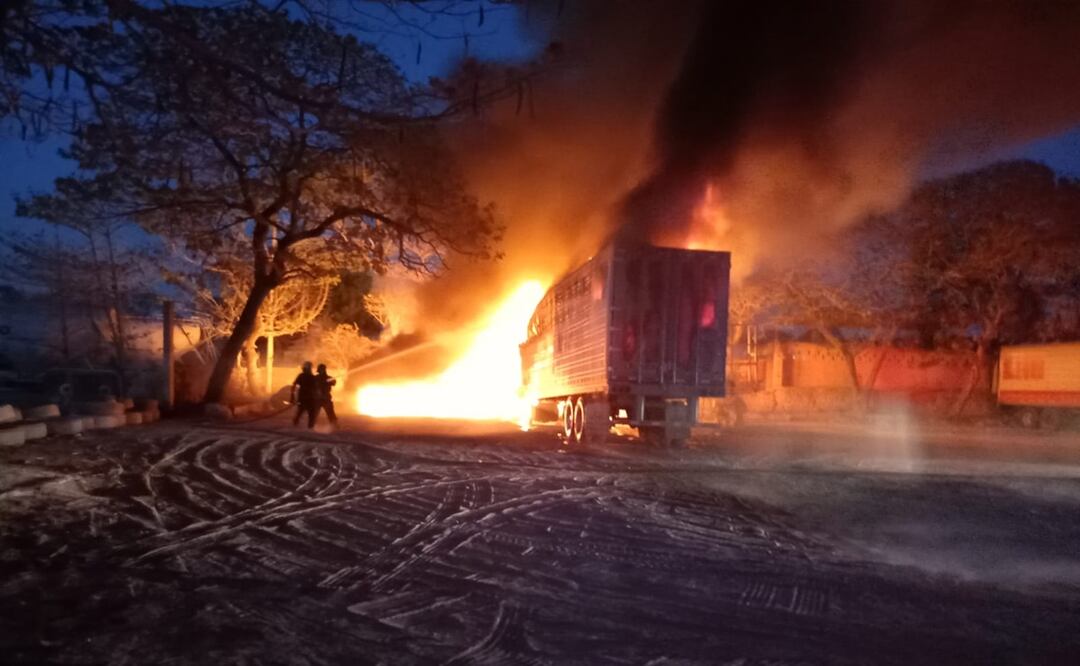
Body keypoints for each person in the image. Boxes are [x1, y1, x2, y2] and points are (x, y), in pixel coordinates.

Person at [291, 361, 319, 428]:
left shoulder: (310, 377)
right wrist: (292, 396)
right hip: (306, 398)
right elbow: (294, 385)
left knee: (309, 414)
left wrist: (292, 396)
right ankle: (297, 425)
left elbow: (316, 388)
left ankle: (308, 427)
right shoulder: (305, 376)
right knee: (305, 413)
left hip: (307, 398)